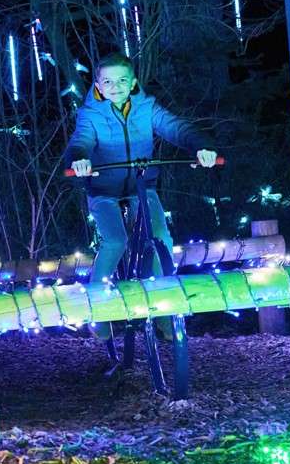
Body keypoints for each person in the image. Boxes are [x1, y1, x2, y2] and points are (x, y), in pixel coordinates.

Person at [64, 53, 219, 339]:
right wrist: (79, 159)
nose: (115, 86)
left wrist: (201, 146)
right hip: (103, 188)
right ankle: (98, 311)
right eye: (108, 81)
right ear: (98, 85)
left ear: (133, 82)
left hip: (141, 187)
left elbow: (176, 127)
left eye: (122, 80)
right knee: (116, 240)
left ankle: (162, 311)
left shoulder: (146, 107)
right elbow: (81, 141)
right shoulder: (91, 114)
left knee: (160, 236)